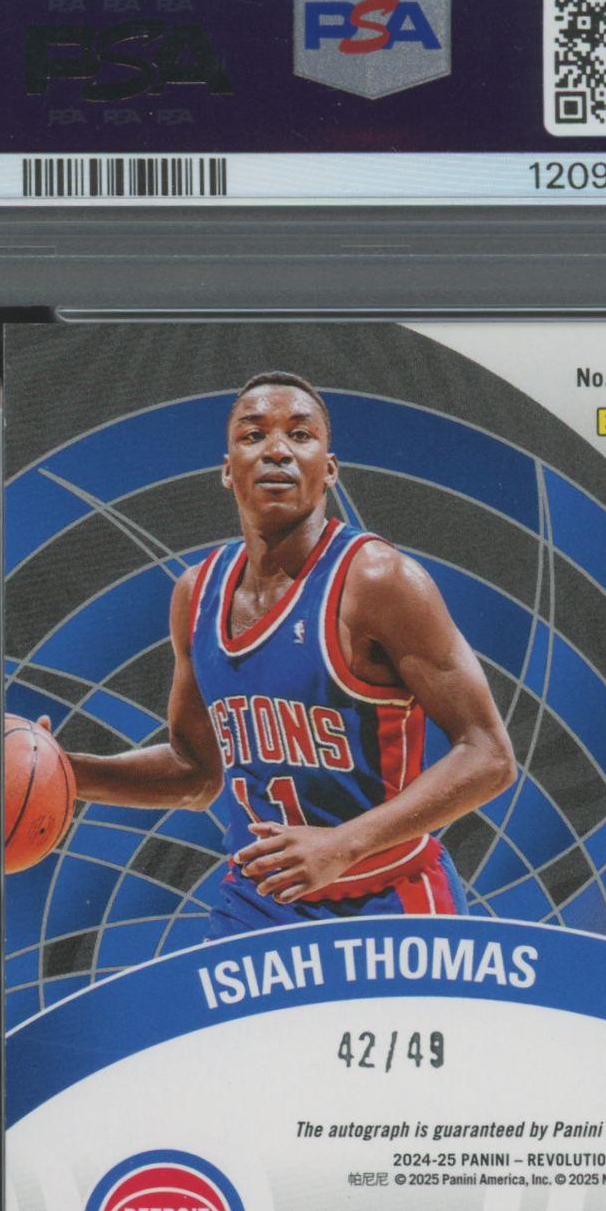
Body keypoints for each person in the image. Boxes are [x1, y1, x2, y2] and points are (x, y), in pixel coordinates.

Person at [60, 372, 516, 935]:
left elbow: (489, 756)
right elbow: (195, 774)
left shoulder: (379, 581)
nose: (277, 449)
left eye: (300, 435)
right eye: (253, 435)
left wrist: (342, 846)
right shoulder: (195, 594)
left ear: (329, 469)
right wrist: (65, 773)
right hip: (258, 904)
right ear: (228, 470)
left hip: (388, 898)